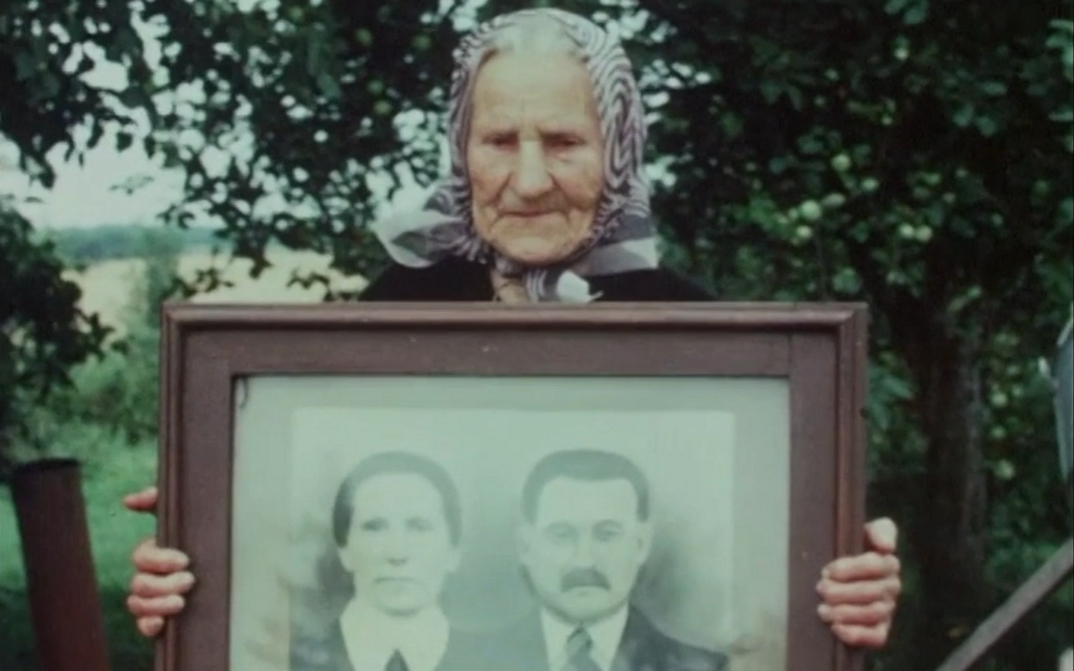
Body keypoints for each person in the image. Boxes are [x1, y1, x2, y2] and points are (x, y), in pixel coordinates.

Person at [123, 6, 902, 652]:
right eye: (499, 142)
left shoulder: (704, 339)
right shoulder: (384, 313)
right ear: (461, 150)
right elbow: (311, 506)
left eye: (563, 142)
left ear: (619, 150)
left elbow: (760, 571)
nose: (528, 181)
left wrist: (842, 590)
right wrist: (217, 518)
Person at [491, 448, 728, 671]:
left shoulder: (701, 668)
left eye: (606, 535)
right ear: (526, 546)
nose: (584, 561)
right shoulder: (473, 660)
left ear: (641, 544)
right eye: (562, 535)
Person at [288, 450, 492, 671]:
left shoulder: (497, 662)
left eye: (419, 527)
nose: (397, 554)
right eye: (374, 528)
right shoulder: (293, 658)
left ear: (454, 553)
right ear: (344, 550)